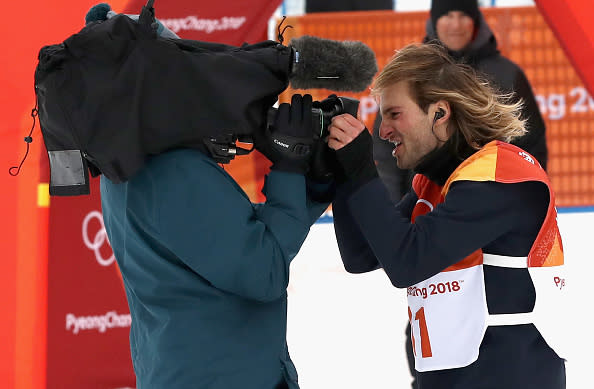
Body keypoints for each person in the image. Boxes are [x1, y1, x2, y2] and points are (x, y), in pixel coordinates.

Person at [326, 43, 566, 389]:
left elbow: (407, 261)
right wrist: (344, 174)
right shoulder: (435, 182)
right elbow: (361, 255)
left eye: (394, 114)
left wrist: (362, 169)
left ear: (440, 113)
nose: (382, 131)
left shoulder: (501, 174)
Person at [101, 91, 331, 387]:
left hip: (183, 369)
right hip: (226, 373)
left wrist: (310, 185)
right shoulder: (176, 170)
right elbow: (263, 270)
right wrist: (289, 166)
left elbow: (233, 236)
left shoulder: (126, 164)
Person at [373, 0, 548, 203]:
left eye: (463, 15)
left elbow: (531, 143)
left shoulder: (507, 74)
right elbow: (386, 153)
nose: (455, 24)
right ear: (435, 21)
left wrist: (526, 201)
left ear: (475, 21)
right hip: (423, 205)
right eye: (447, 15)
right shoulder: (409, 75)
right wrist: (396, 209)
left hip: (491, 204)